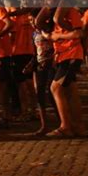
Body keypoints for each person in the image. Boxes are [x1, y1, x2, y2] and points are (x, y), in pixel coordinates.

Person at [40, 0, 86, 138]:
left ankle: (65, 126)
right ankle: (78, 127)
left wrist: (58, 36)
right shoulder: (54, 15)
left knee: (55, 88)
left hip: (71, 54)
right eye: (46, 0)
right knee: (71, 91)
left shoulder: (71, 12)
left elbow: (78, 33)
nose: (48, 3)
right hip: (62, 56)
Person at [27, 8, 56, 136]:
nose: (32, 23)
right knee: (39, 94)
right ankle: (44, 125)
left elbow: (56, 47)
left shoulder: (48, 31)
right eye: (29, 21)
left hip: (51, 65)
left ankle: (62, 120)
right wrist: (31, 64)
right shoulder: (34, 34)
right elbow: (35, 52)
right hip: (40, 66)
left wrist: (51, 60)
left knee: (52, 94)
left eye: (32, 19)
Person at [11, 0, 36, 121]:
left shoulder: (34, 16)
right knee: (21, 83)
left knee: (30, 83)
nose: (25, 2)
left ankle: (33, 109)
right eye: (23, 0)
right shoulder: (16, 17)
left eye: (28, 0)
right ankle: (24, 110)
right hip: (18, 52)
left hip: (31, 51)